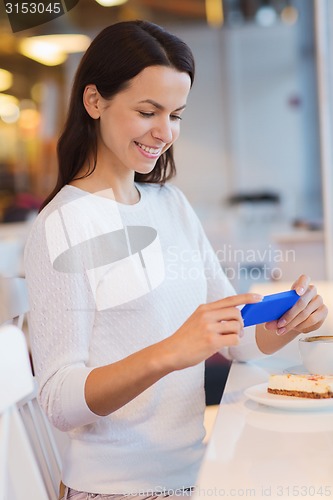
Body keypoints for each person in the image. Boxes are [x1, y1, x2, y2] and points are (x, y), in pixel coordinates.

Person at [24, 20, 327, 500]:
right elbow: (60, 400)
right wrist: (172, 351)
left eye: (176, 114)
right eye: (148, 111)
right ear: (94, 101)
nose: (165, 132)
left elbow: (238, 340)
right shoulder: (63, 225)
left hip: (192, 474)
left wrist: (283, 320)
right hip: (117, 490)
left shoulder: (170, 204)